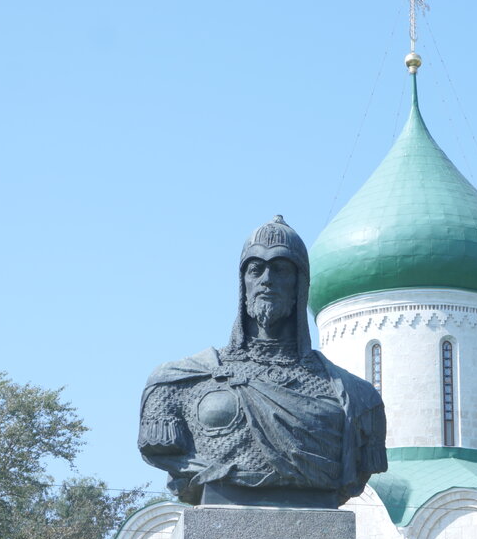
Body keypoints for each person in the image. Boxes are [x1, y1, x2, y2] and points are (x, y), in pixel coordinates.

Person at [138, 215, 386, 508]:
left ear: (299, 285)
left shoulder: (356, 399)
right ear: (243, 284)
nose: (267, 280)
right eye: (256, 269)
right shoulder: (179, 383)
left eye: (281, 269)